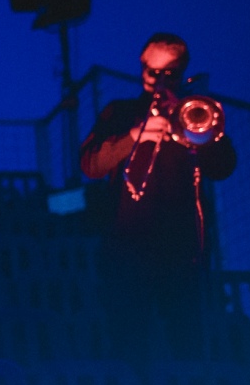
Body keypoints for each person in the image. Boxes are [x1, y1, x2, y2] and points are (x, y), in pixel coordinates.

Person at [79, 33, 236, 360]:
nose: (160, 81)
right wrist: (134, 135)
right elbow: (90, 165)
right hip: (128, 244)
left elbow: (223, 168)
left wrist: (193, 128)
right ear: (142, 70)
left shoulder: (192, 112)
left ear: (182, 73)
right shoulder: (119, 112)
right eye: (154, 72)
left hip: (181, 246)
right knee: (129, 341)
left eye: (170, 74)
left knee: (187, 342)